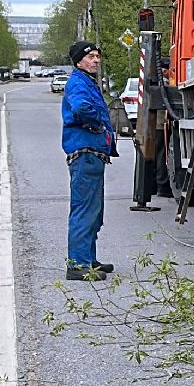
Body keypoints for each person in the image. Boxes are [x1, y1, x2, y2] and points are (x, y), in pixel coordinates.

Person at [62, 41, 117, 281]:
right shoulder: (78, 83)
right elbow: (81, 109)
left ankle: (89, 259)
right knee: (84, 209)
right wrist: (98, 126)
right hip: (85, 154)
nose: (96, 60)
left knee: (94, 211)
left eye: (97, 56)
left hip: (93, 154)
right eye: (91, 57)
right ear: (78, 61)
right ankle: (77, 264)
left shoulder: (87, 82)